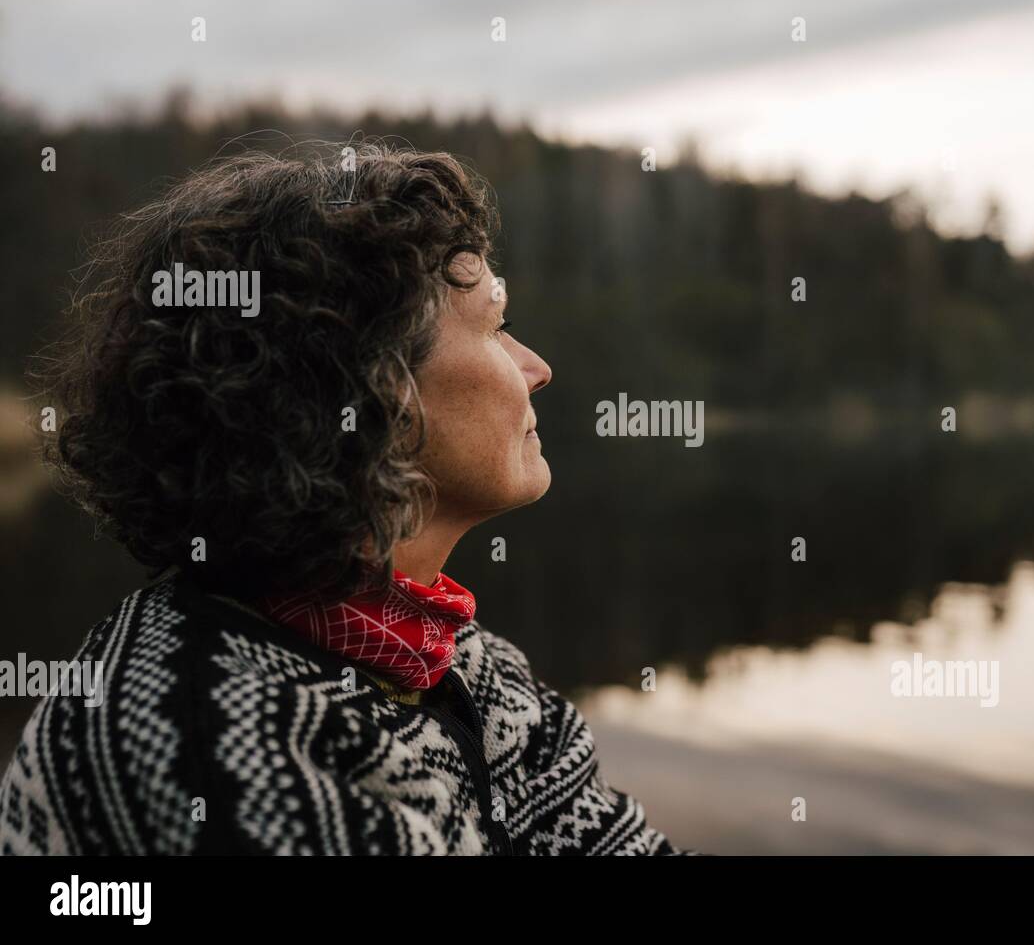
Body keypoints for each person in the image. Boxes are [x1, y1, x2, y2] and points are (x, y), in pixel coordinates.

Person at [0, 143, 693, 855]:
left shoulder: (469, 667)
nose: (537, 369)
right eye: (495, 328)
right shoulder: (201, 741)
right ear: (372, 388)